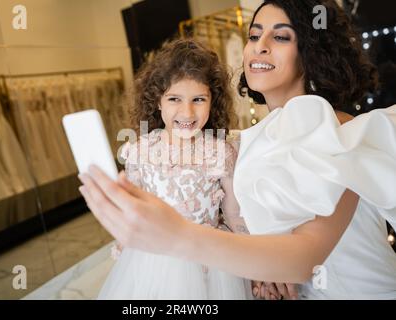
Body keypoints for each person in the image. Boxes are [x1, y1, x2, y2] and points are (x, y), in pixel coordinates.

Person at [79, 0, 396, 299]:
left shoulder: (341, 133)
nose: (260, 45)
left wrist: (177, 235)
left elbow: (305, 259)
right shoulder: (240, 143)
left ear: (311, 52)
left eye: (281, 37)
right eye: (254, 35)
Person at [92, 38, 257, 299]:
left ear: (212, 101)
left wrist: (255, 266)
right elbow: (133, 208)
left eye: (199, 99)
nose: (187, 111)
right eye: (174, 99)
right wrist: (125, 247)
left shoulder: (220, 153)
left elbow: (235, 216)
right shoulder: (140, 151)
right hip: (154, 259)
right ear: (158, 101)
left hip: (211, 262)